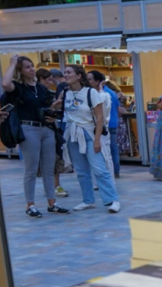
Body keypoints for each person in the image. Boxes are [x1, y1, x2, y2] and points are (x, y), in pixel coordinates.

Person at [1, 55, 70, 217]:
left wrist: (55, 108)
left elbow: (46, 107)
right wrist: (12, 64)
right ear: (20, 71)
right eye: (27, 67)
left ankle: (52, 203)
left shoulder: (40, 88)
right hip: (28, 128)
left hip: (46, 129)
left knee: (48, 168)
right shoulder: (18, 88)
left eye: (32, 66)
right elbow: (5, 83)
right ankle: (30, 204)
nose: (31, 69)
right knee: (31, 169)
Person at [52, 65, 121, 213]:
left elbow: (100, 117)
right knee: (81, 171)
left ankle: (112, 199)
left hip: (89, 134)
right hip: (72, 136)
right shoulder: (66, 93)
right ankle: (88, 200)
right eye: (65, 72)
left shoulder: (91, 93)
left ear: (78, 76)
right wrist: (56, 105)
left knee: (99, 169)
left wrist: (97, 140)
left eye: (69, 72)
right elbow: (61, 111)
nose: (65, 74)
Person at [36, 69, 69, 199]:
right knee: (43, 160)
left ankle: (55, 185)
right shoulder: (35, 95)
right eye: (48, 80)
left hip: (52, 130)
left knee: (54, 158)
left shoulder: (49, 94)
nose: (50, 83)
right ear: (40, 80)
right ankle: (51, 187)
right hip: (39, 129)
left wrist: (55, 113)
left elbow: (56, 112)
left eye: (51, 79)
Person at [86, 71, 115, 180]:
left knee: (106, 156)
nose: (87, 82)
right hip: (91, 129)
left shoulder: (104, 95)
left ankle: (109, 180)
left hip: (101, 129)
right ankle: (96, 182)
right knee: (94, 157)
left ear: (97, 81)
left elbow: (102, 114)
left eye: (90, 79)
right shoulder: (88, 94)